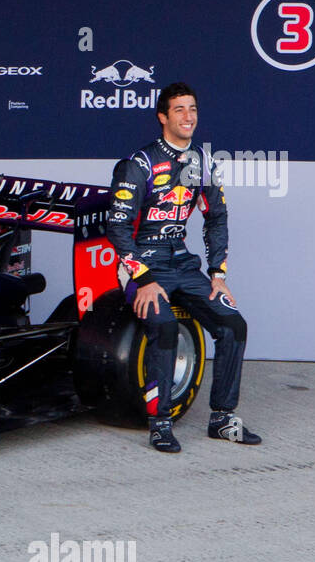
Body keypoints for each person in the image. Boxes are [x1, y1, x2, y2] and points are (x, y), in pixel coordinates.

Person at [106, 82, 262, 453]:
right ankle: (160, 423)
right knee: (163, 324)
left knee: (233, 324)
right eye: (179, 110)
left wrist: (217, 273)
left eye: (192, 109)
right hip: (141, 264)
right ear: (163, 117)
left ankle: (222, 418)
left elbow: (217, 218)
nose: (188, 116)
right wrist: (142, 278)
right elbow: (117, 227)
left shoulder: (201, 162)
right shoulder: (138, 164)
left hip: (181, 260)